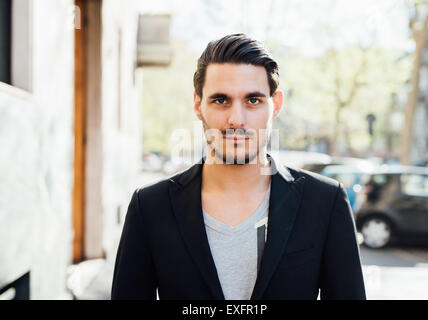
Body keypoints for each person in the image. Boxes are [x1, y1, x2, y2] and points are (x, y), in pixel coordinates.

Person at [111, 34, 366, 300]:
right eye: (221, 100)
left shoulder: (325, 202)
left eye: (253, 100)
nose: (236, 119)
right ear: (198, 105)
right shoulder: (150, 207)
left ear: (275, 105)